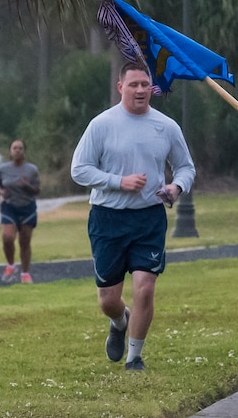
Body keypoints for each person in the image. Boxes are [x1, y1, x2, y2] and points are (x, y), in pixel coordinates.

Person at [70, 64, 197, 372]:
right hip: (107, 218)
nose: (141, 90)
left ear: (152, 88)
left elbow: (186, 167)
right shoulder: (102, 124)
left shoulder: (166, 126)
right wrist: (119, 181)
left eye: (145, 85)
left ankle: (134, 357)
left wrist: (175, 187)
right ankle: (119, 321)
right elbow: (79, 169)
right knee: (108, 299)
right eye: (134, 85)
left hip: (148, 219)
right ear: (120, 87)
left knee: (145, 287)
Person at [0, 139, 42, 283]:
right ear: (10, 151)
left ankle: (25, 273)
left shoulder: (31, 169)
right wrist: (1, 192)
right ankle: (10, 265)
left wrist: (26, 185)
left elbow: (37, 190)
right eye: (14, 148)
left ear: (24, 152)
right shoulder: (2, 169)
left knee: (24, 241)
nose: (17, 150)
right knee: (7, 237)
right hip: (9, 206)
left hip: (27, 207)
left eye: (20, 148)